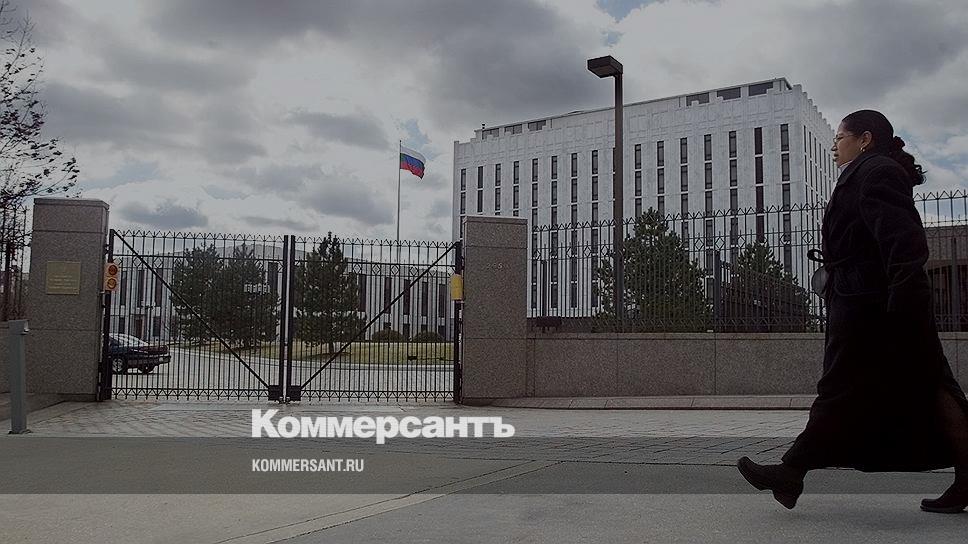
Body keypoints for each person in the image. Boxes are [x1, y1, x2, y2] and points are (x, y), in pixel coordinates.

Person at [736, 109, 968, 513]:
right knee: (918, 385)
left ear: (865, 138)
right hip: (865, 302)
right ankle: (793, 471)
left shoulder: (876, 172)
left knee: (871, 386)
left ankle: (792, 470)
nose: (833, 147)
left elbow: (904, 244)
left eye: (839, 138)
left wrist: (903, 306)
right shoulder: (865, 173)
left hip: (874, 308)